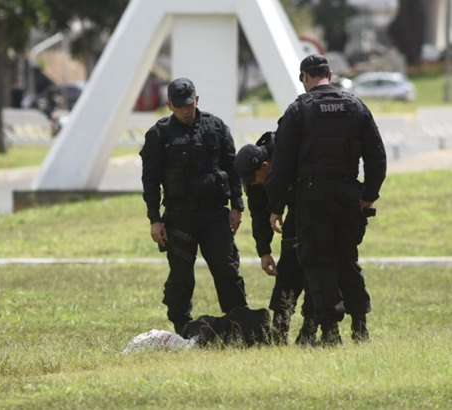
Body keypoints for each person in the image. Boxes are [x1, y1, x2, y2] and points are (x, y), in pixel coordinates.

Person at [265, 55, 387, 345]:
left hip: (312, 198)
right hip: (348, 196)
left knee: (319, 264)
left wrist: (275, 207)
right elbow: (377, 157)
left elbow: (281, 166)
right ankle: (360, 326)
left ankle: (330, 332)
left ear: (304, 77)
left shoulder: (299, 110)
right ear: (329, 74)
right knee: (347, 260)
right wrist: (368, 196)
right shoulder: (356, 106)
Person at [140, 77, 248, 334]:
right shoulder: (158, 134)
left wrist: (237, 206)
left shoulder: (216, 127)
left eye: (189, 104)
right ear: (170, 105)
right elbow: (150, 180)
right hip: (179, 216)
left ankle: (239, 323)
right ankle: (181, 327)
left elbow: (233, 169)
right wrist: (155, 219)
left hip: (214, 215)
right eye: (180, 106)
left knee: (227, 269)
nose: (186, 110)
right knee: (181, 276)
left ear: (197, 100)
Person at [234, 132, 317, 345]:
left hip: (314, 210)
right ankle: (279, 332)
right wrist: (264, 252)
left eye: (253, 179)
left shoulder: (288, 151)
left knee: (316, 274)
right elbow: (259, 214)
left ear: (264, 166)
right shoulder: (256, 180)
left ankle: (310, 331)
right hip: (294, 216)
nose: (253, 185)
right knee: (288, 271)